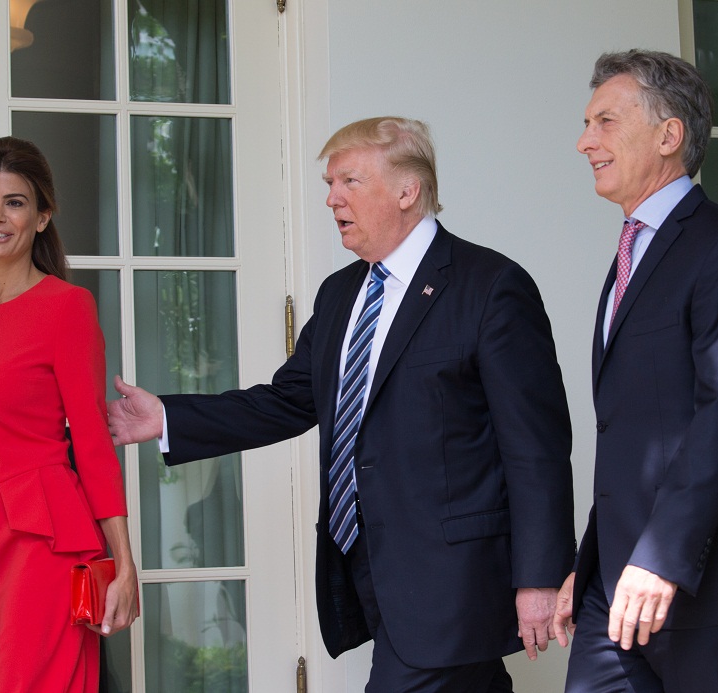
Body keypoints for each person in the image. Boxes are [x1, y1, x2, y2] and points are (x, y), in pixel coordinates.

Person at [109, 116, 575, 692]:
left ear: (408, 191)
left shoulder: (491, 287)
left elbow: (537, 448)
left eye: (349, 182)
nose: (332, 200)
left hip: (452, 580)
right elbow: (287, 402)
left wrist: (541, 577)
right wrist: (167, 419)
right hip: (369, 572)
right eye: (330, 184)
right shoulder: (340, 295)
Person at [552, 50, 718, 692]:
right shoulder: (630, 253)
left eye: (605, 122)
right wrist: (590, 565)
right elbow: (632, 432)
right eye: (587, 124)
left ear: (670, 136)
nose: (585, 142)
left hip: (709, 593)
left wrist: (661, 560)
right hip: (615, 590)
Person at [0, 136, 139, 692]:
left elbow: (90, 442)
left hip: (44, 544)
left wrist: (124, 561)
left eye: (15, 202)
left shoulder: (65, 308)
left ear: (42, 217)